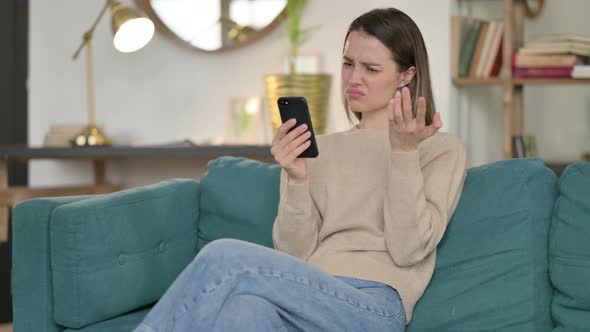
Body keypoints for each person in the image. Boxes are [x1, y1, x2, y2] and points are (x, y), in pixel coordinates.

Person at [134, 7, 466, 332]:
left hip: (372, 307)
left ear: (406, 75)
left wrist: (404, 152)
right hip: (306, 295)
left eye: (371, 69)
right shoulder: (317, 149)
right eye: (348, 64)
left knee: (224, 257)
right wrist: (297, 178)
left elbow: (408, 249)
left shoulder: (438, 149)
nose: (353, 79)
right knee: (244, 310)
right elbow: (295, 254)